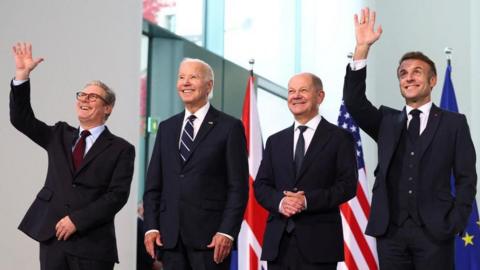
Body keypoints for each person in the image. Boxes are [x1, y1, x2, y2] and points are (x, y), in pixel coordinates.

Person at [343, 8, 477, 269]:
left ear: (432, 80)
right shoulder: (387, 122)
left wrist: (456, 221)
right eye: (403, 73)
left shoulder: (454, 124)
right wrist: (362, 49)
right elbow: (354, 102)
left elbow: (466, 178)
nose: (409, 77)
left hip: (436, 232)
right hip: (391, 234)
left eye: (417, 71)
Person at [10, 43, 135, 270]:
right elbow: (22, 120)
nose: (84, 99)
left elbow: (116, 196)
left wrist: (77, 220)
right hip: (53, 239)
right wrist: (22, 76)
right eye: (82, 95)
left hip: (93, 245)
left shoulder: (121, 149)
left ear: (108, 108)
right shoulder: (59, 134)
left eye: (93, 97)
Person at [143, 58, 249, 270]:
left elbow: (238, 187)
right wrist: (151, 227)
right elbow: (154, 185)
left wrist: (226, 231)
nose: (186, 82)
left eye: (193, 77)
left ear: (209, 85)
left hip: (211, 240)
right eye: (181, 77)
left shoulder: (229, 127)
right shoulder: (167, 128)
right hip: (170, 238)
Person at [254, 72, 358, 269]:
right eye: (292, 91)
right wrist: (281, 201)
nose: (296, 96)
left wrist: (307, 200)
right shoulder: (275, 141)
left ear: (320, 96)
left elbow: (347, 186)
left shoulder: (339, 138)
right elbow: (261, 185)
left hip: (320, 245)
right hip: (278, 244)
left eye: (303, 90)